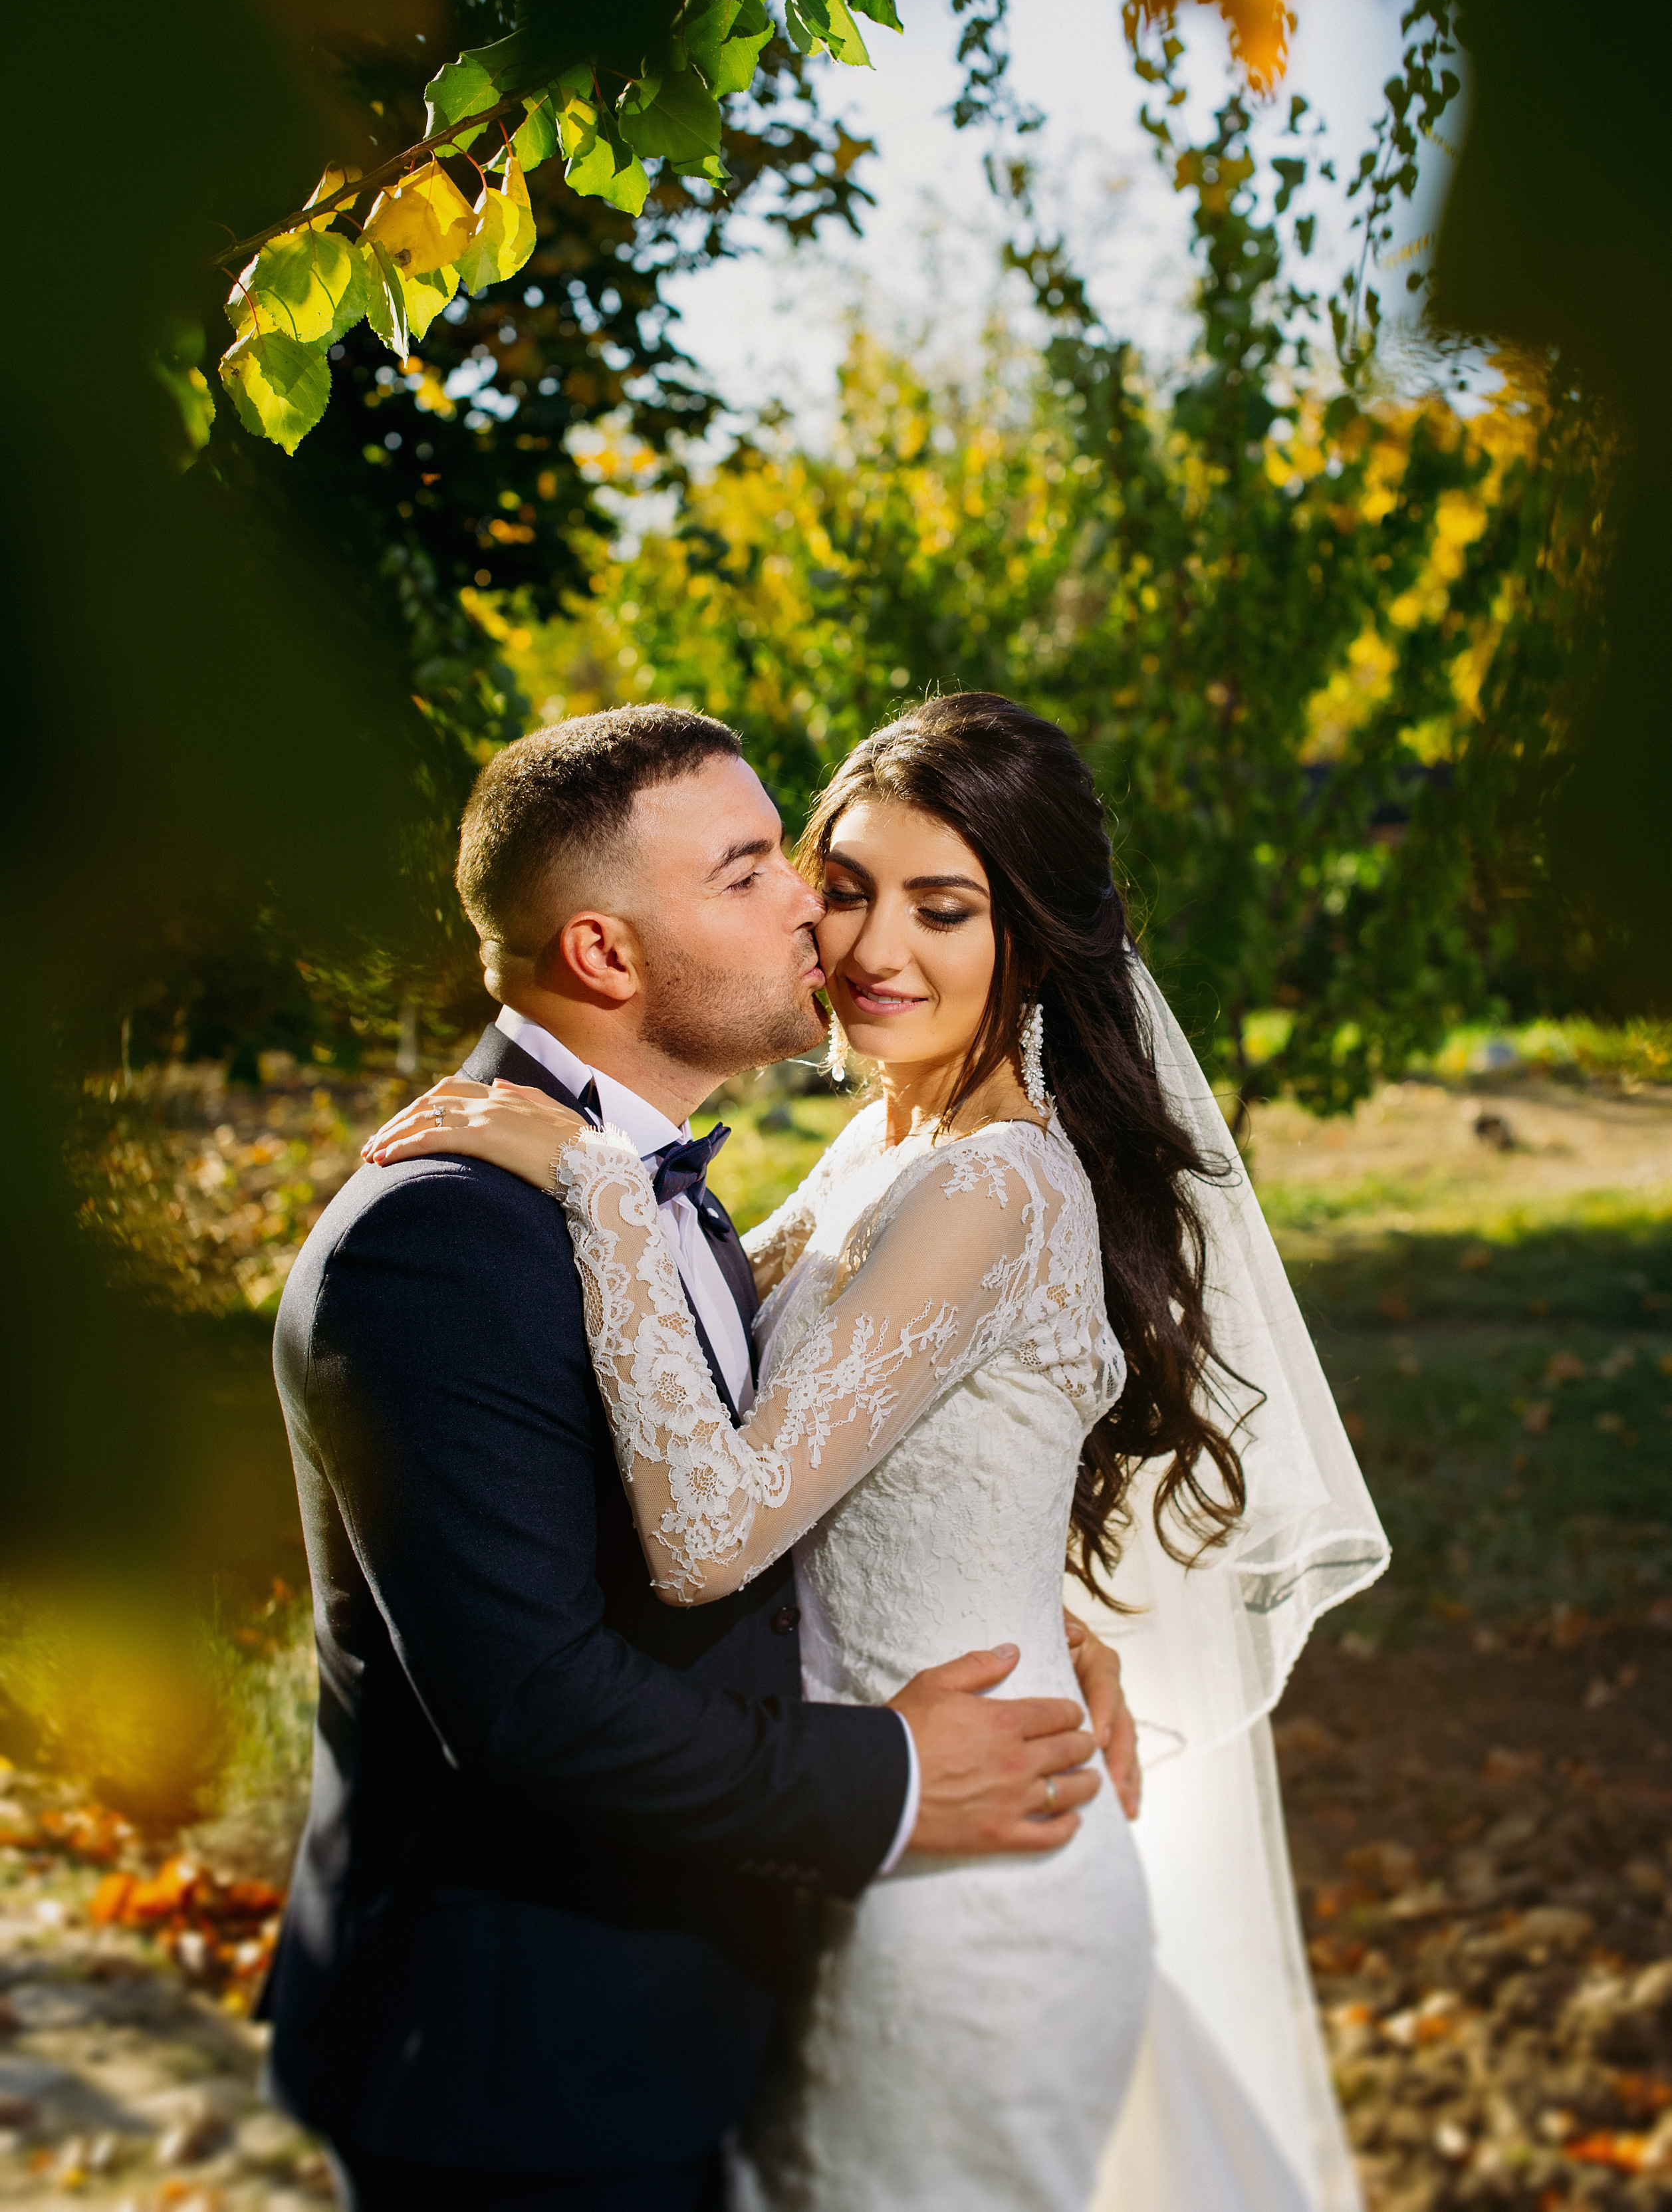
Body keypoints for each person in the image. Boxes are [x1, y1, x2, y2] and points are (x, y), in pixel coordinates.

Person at [370, 691, 1389, 2211]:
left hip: (969, 1901)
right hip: (857, 1849)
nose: (869, 950)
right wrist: (1049, 1608)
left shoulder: (997, 1183)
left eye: (944, 908)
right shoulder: (884, 1149)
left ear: (1032, 938)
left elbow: (709, 1528)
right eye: (841, 889)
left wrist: (590, 1185)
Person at [266, 701, 1138, 2212]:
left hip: (729, 1995)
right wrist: (892, 1768)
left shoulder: (660, 1180)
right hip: (523, 2072)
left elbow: (816, 1451)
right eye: (757, 871)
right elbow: (536, 1702)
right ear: (604, 954)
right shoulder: (451, 1238)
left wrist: (1019, 1606)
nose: (812, 906)